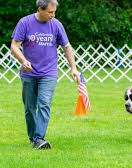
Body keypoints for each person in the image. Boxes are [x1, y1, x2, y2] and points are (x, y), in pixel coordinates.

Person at [10, 0, 80, 149]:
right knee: (29, 107)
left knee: (44, 104)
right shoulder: (25, 23)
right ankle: (33, 137)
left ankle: (39, 138)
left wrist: (73, 68)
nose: (53, 15)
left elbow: (66, 47)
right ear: (40, 9)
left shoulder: (56, 25)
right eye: (50, 12)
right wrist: (23, 60)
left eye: (54, 12)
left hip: (49, 73)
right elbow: (14, 46)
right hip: (29, 74)